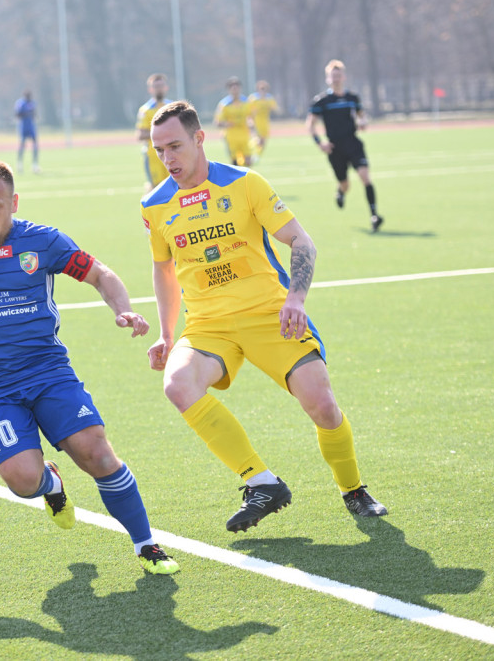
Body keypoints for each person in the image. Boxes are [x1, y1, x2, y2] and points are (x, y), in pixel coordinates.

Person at [0, 158, 180, 575]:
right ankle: (50, 483)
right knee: (24, 481)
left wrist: (124, 310)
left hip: (47, 371)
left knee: (96, 453)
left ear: (14, 203)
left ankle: (146, 544)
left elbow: (100, 275)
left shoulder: (42, 243)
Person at [142, 101, 387, 533]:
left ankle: (353, 490)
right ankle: (261, 482)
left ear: (200, 138)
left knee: (323, 406)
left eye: (175, 146)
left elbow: (301, 242)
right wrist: (165, 333)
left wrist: (296, 297)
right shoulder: (155, 205)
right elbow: (164, 270)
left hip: (270, 314)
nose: (168, 159)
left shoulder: (246, 183)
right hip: (208, 326)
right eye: (159, 150)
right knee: (177, 384)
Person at [306, 60, 383, 232]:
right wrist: (320, 143)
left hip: (353, 143)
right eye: (333, 76)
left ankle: (374, 215)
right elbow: (310, 124)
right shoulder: (322, 101)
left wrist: (363, 122)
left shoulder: (352, 98)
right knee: (345, 184)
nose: (336, 79)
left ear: (344, 77)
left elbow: (362, 116)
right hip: (335, 148)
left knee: (365, 177)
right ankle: (341, 192)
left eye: (339, 75)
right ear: (328, 79)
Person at [135, 73, 170, 190]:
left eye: (161, 86)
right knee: (156, 189)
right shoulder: (145, 110)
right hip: (153, 156)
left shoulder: (172, 106)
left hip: (172, 154)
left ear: (166, 87)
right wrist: (161, 132)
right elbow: (141, 134)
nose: (159, 89)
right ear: (150, 89)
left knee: (177, 187)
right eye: (156, 86)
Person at [213, 77, 254, 167]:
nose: (235, 90)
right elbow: (217, 122)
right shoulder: (224, 104)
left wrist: (251, 122)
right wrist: (226, 124)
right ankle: (237, 180)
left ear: (240, 88)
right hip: (231, 137)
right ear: (229, 90)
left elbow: (251, 116)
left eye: (237, 87)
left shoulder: (246, 102)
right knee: (235, 163)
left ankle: (246, 179)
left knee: (248, 161)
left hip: (244, 135)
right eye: (232, 88)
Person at [247, 80, 280, 161]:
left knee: (263, 141)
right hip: (256, 121)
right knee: (259, 139)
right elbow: (248, 111)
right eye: (261, 88)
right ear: (258, 89)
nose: (262, 90)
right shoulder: (254, 99)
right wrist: (249, 120)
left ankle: (257, 154)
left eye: (264, 89)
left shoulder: (269, 98)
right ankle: (249, 147)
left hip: (265, 122)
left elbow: (275, 108)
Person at [14, 90, 40, 174]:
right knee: (22, 145)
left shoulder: (32, 103)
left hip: (31, 127)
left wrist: (34, 115)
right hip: (23, 127)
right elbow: (17, 115)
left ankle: (35, 165)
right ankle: (20, 164)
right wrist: (26, 113)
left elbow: (34, 113)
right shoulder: (20, 103)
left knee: (35, 145)